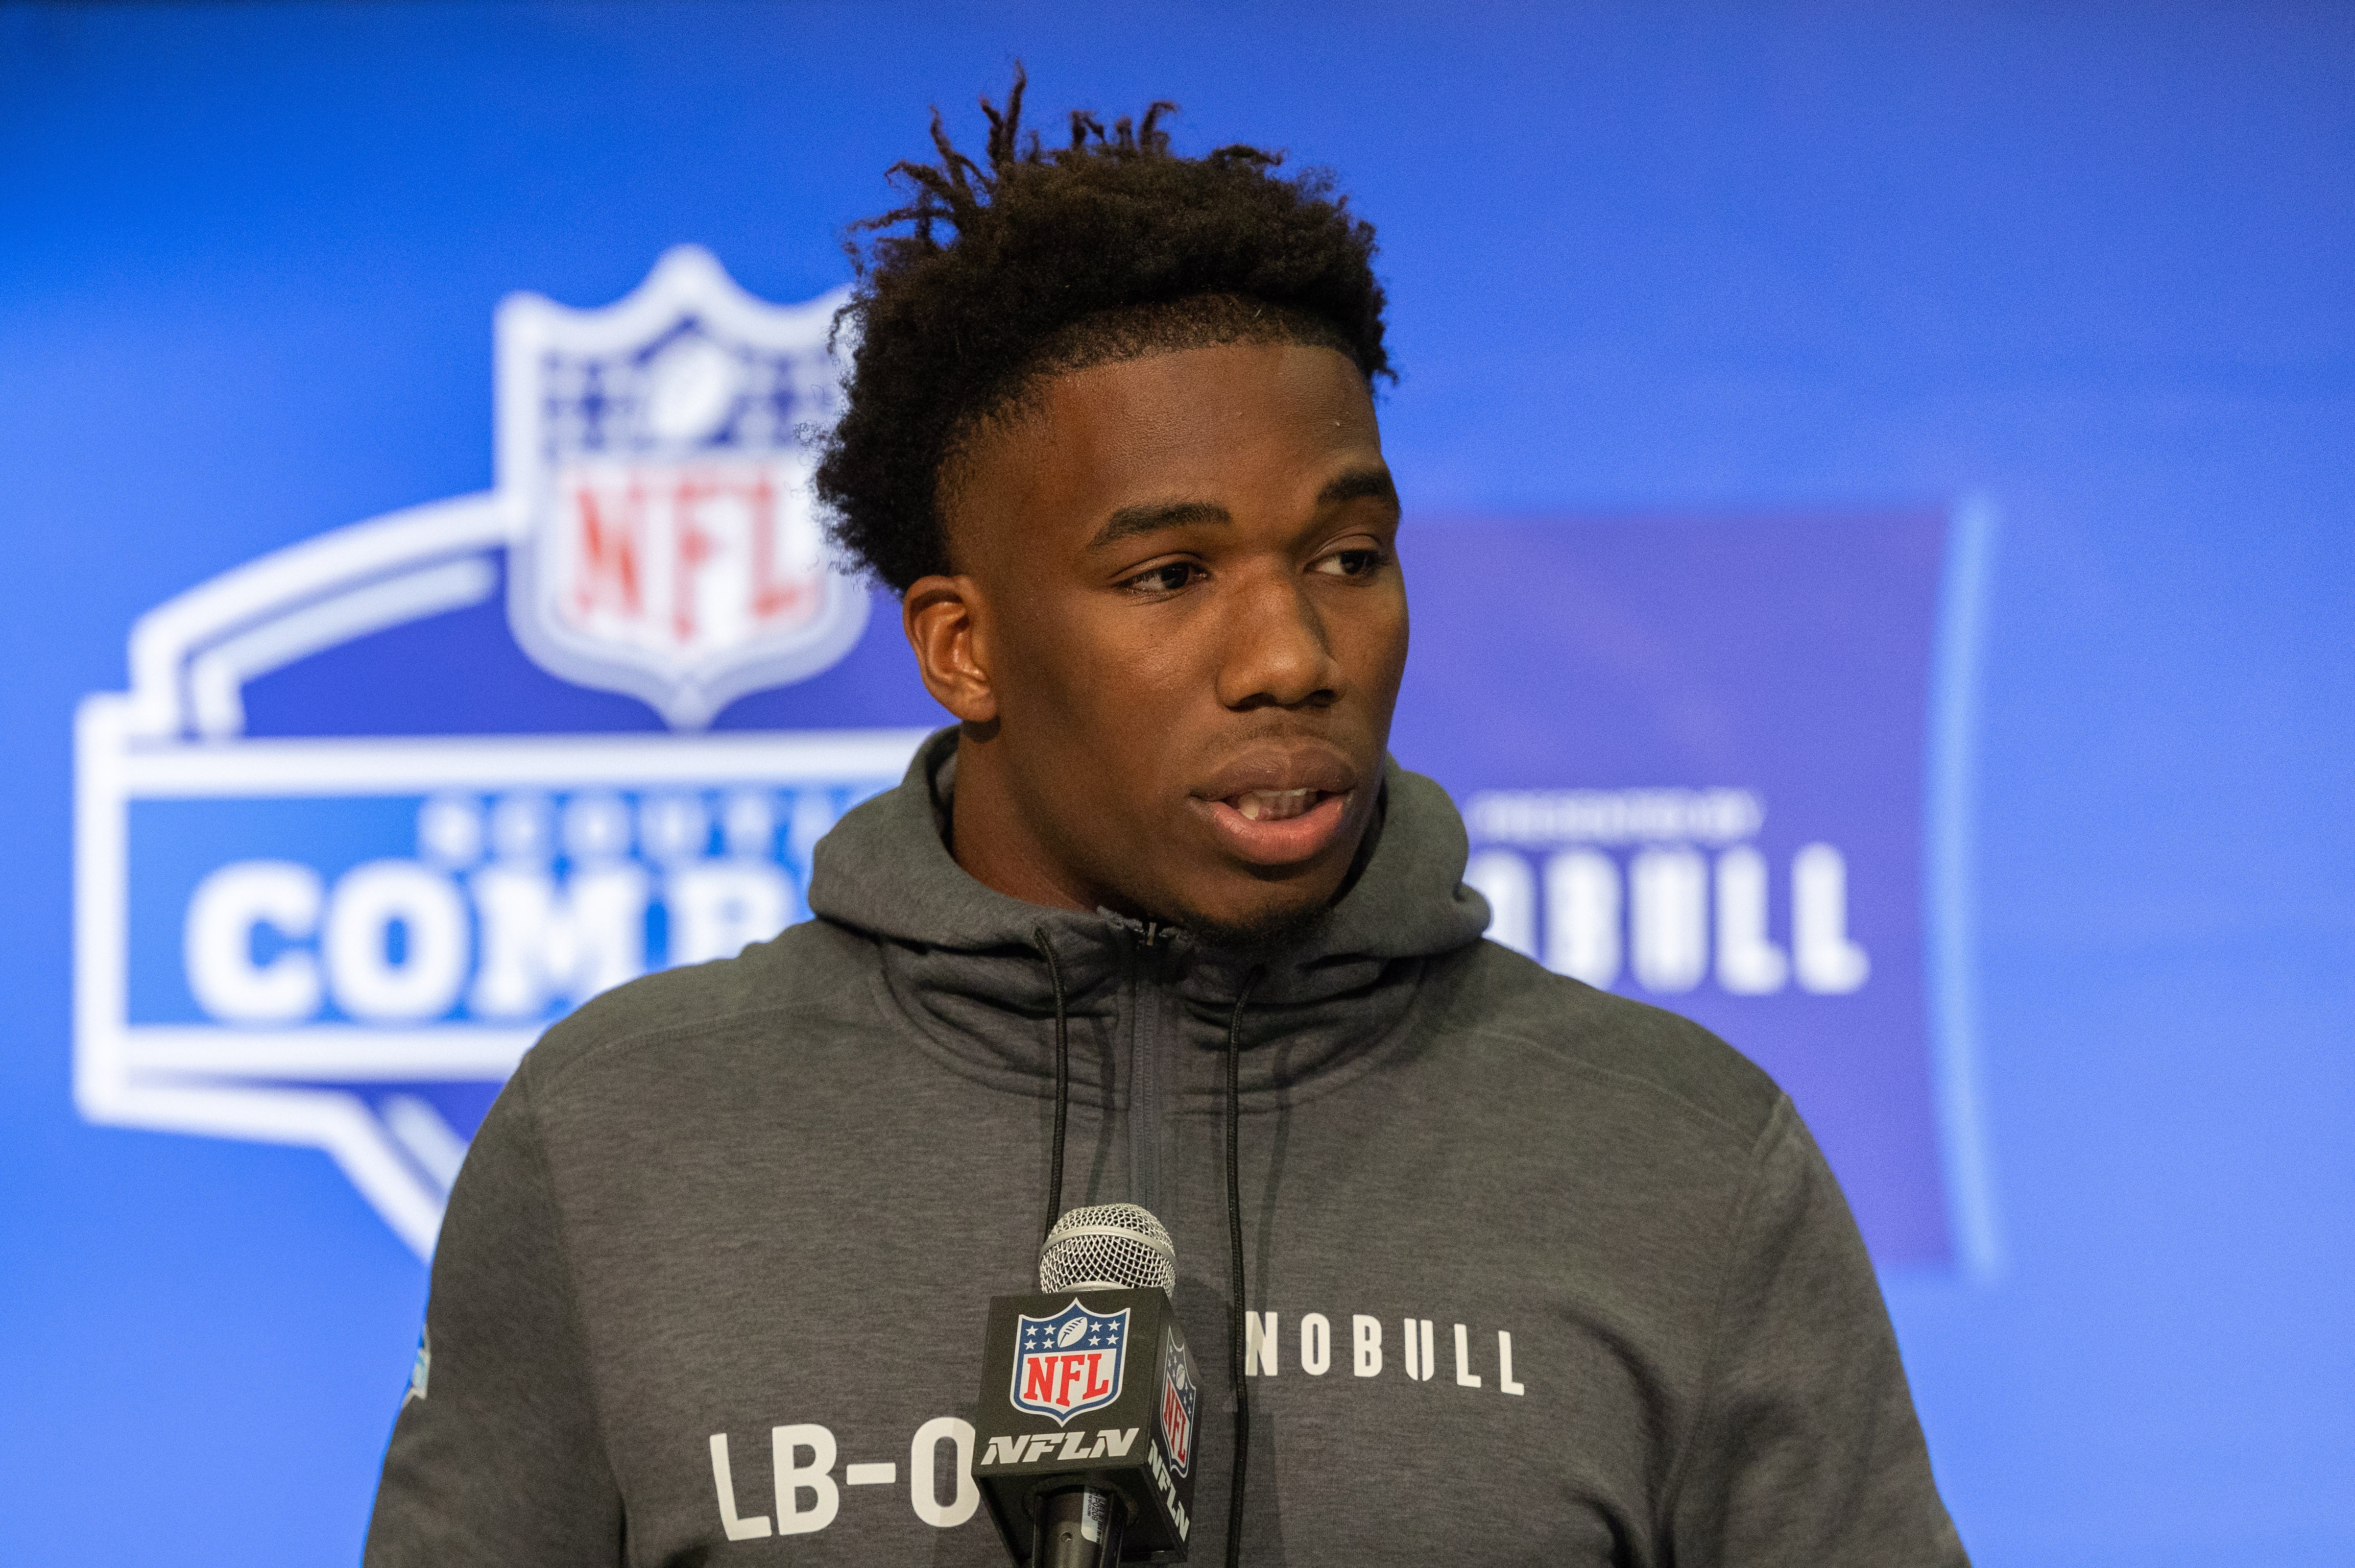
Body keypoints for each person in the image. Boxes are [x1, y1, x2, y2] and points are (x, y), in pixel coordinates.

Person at [365, 72, 1968, 1567]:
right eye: (1171, 576)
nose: (1293, 656)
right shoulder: (621, 1137)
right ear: (963, 645)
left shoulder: (1678, 1155)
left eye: (1348, 554)